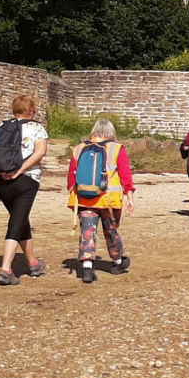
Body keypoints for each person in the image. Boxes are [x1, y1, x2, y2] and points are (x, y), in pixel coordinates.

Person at [0, 94, 49, 285]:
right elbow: (41, 152)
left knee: (20, 220)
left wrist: (2, 171)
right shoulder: (37, 128)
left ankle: (33, 263)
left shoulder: (0, 128)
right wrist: (20, 170)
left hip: (2, 181)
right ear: (32, 111)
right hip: (27, 180)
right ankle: (6, 269)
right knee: (16, 222)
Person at [67, 118, 135, 283]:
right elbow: (125, 175)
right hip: (109, 199)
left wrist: (74, 196)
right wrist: (130, 196)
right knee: (110, 230)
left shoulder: (78, 149)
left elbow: (71, 178)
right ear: (111, 133)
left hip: (84, 198)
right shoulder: (116, 148)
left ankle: (88, 267)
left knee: (87, 231)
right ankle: (118, 262)